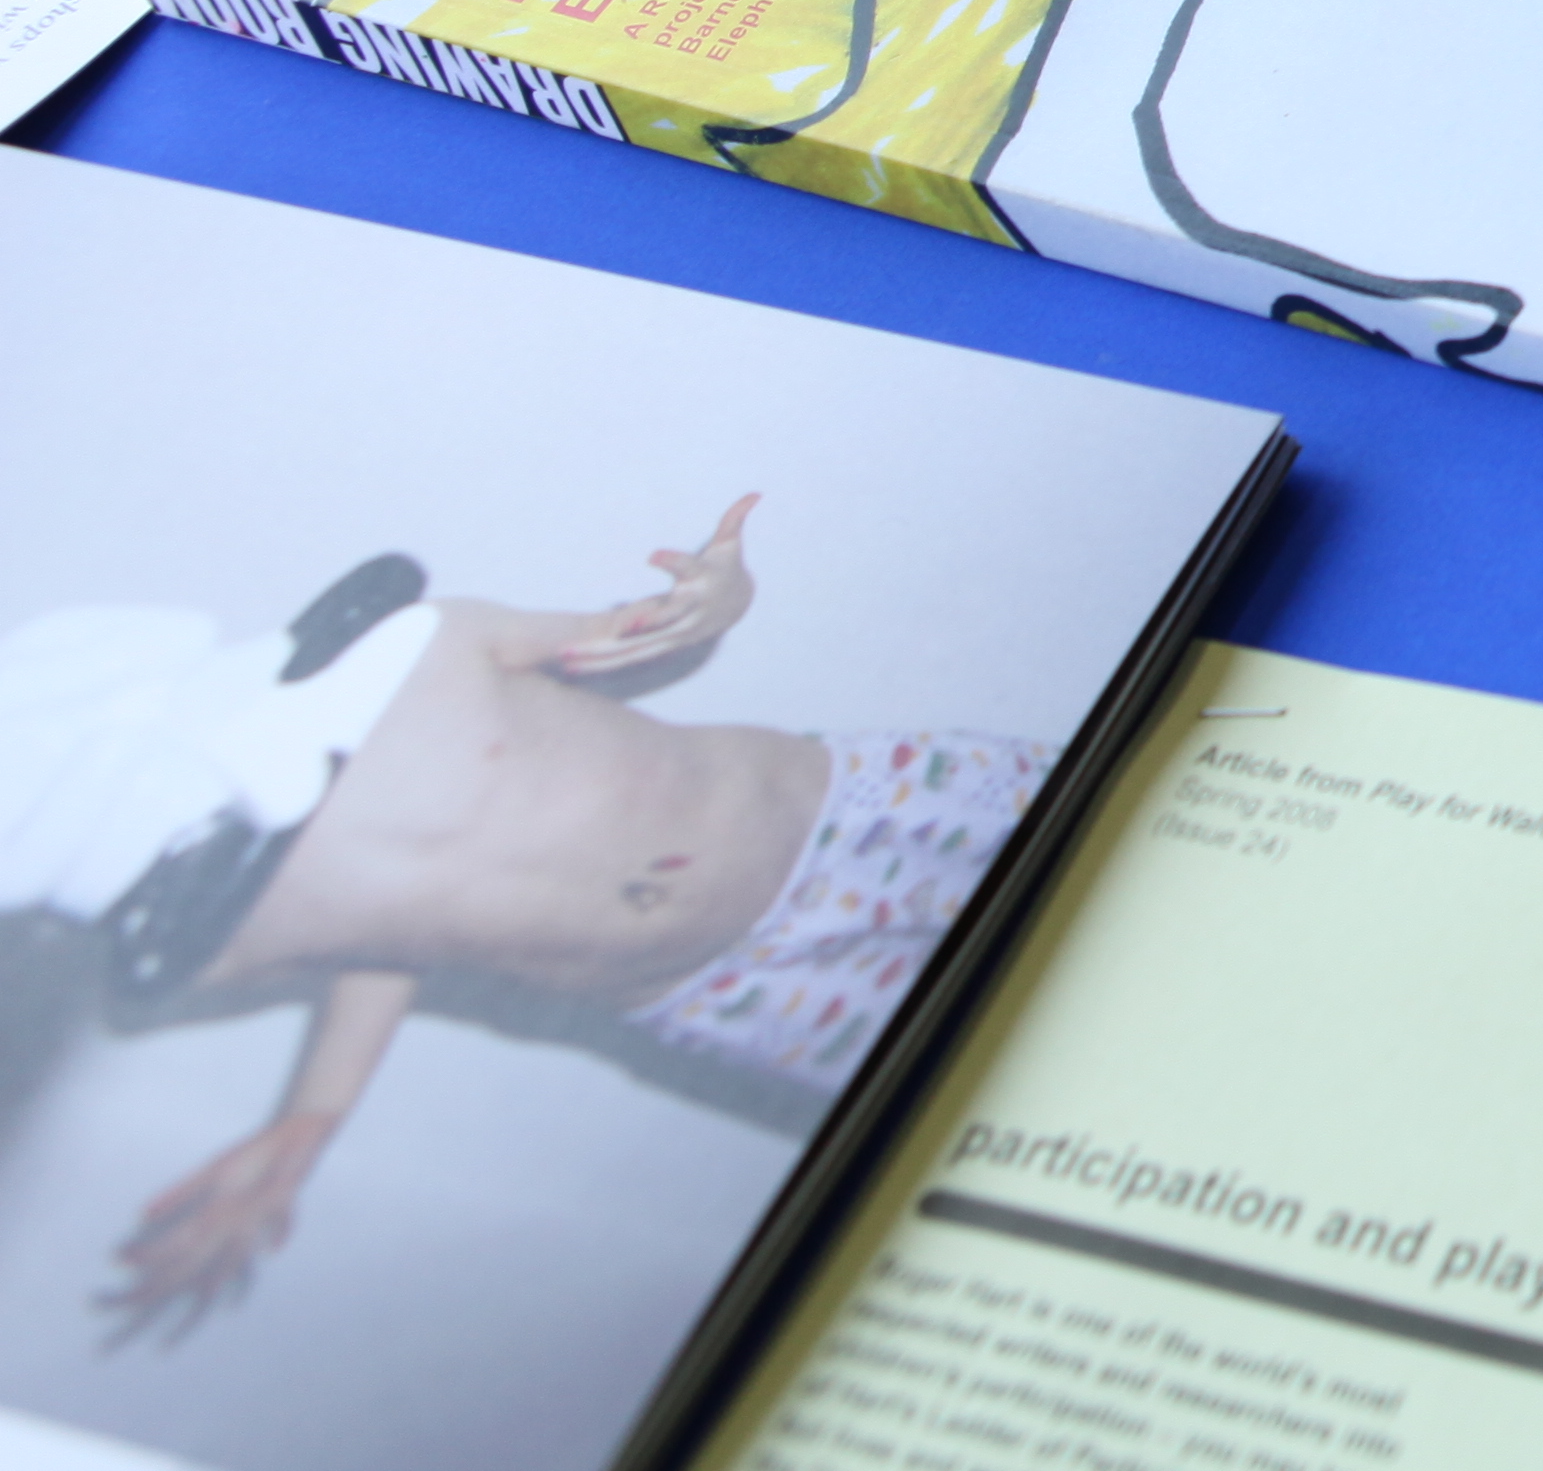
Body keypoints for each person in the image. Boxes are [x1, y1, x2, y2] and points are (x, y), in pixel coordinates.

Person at [10, 501, 1048, 1342]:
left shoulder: (423, 647)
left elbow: (636, 629)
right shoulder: (212, 936)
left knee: (1122, 851)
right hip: (727, 995)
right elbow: (387, 939)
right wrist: (311, 1118)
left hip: (868, 811)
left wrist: (708, 598)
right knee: (1003, 1105)